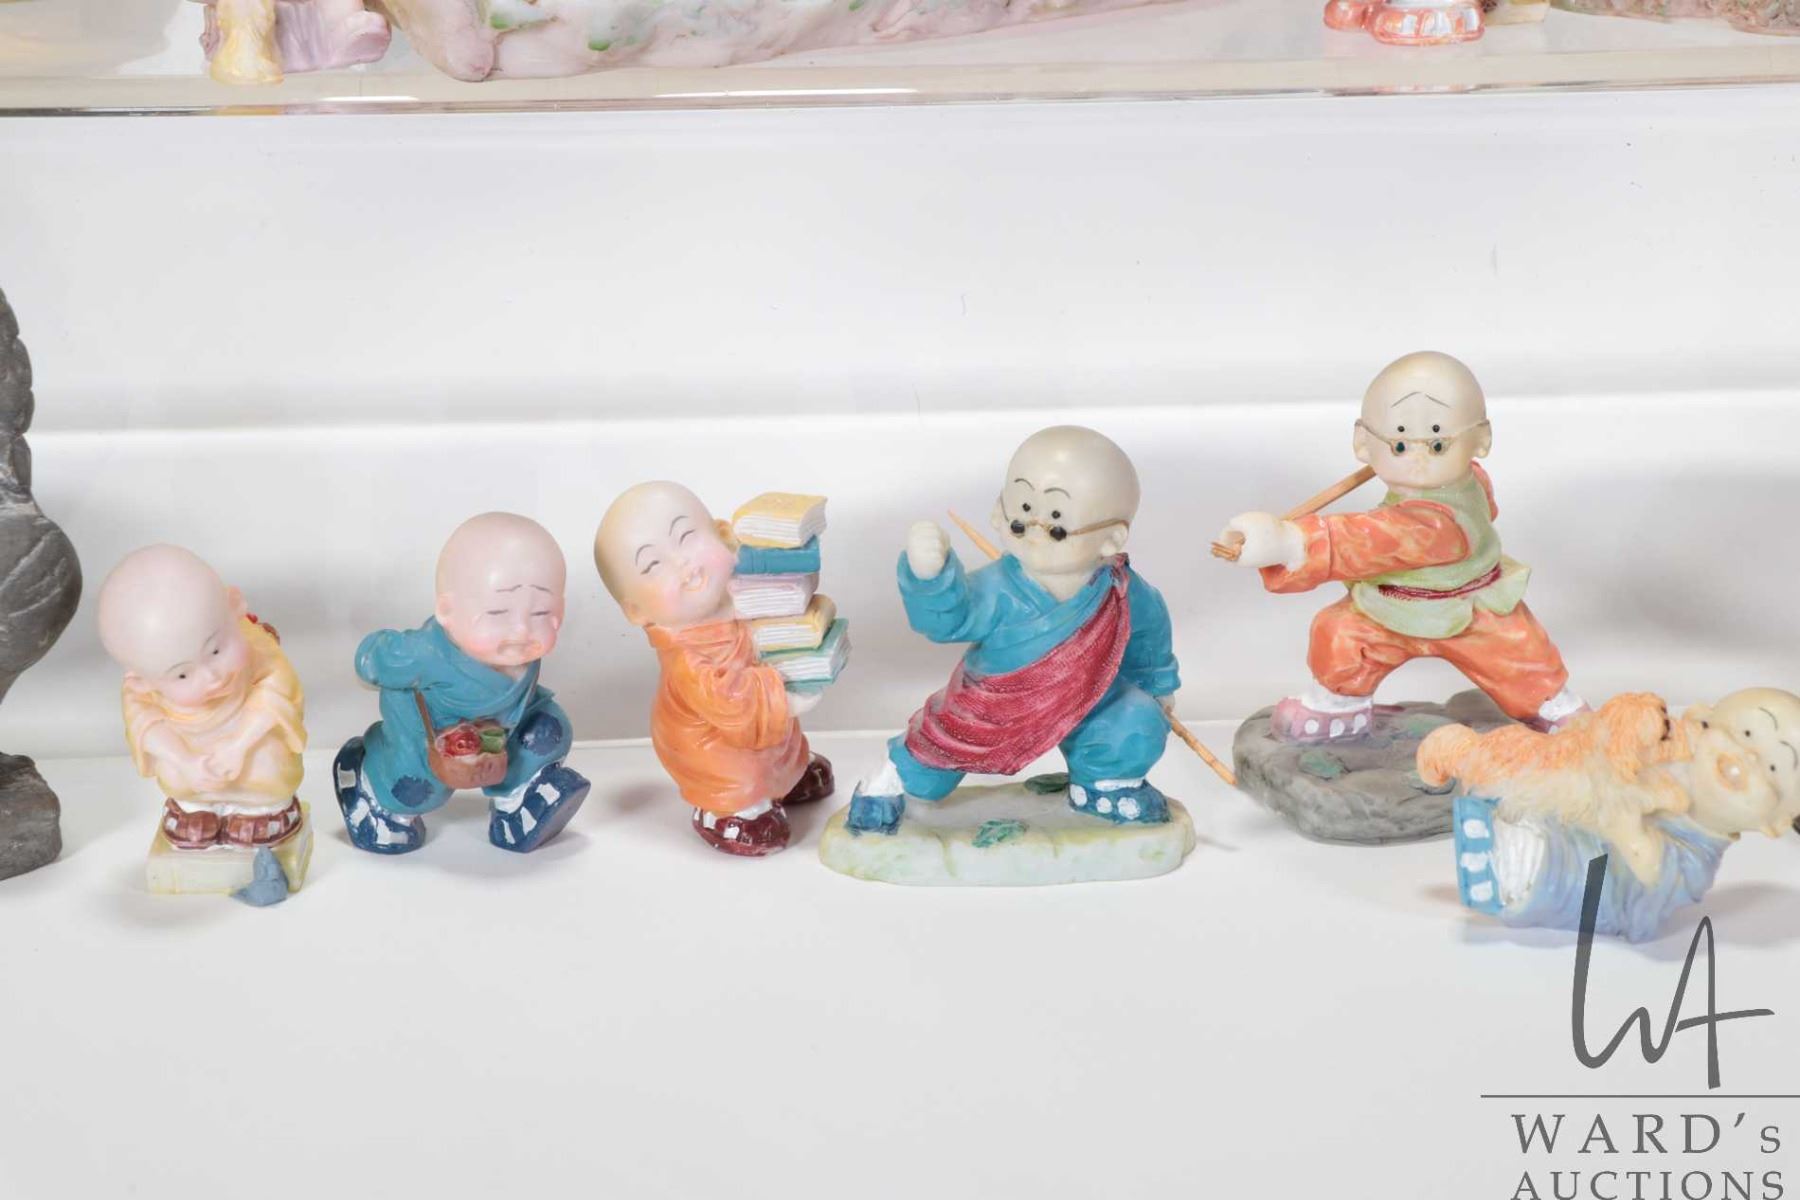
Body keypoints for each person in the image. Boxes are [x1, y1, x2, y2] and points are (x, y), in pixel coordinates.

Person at [848, 425, 1179, 836]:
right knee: (932, 768)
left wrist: (1157, 688)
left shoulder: (1122, 591)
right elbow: (948, 620)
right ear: (999, 511)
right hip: (991, 710)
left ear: (1112, 538)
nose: (1034, 529)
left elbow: (1148, 640)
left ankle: (1104, 788)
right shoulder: (999, 587)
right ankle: (891, 783)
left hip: (1095, 698)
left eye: (1056, 523)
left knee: (1135, 720)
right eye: (1021, 511)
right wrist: (929, 576)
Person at [595, 482, 834, 856]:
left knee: (785, 748)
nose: (681, 563)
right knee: (739, 774)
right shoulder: (687, 659)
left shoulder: (746, 594)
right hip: (711, 740)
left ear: (724, 536)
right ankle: (727, 811)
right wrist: (787, 699)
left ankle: (787, 776)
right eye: (653, 565)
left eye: (686, 537)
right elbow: (728, 700)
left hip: (765, 721)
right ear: (636, 610)